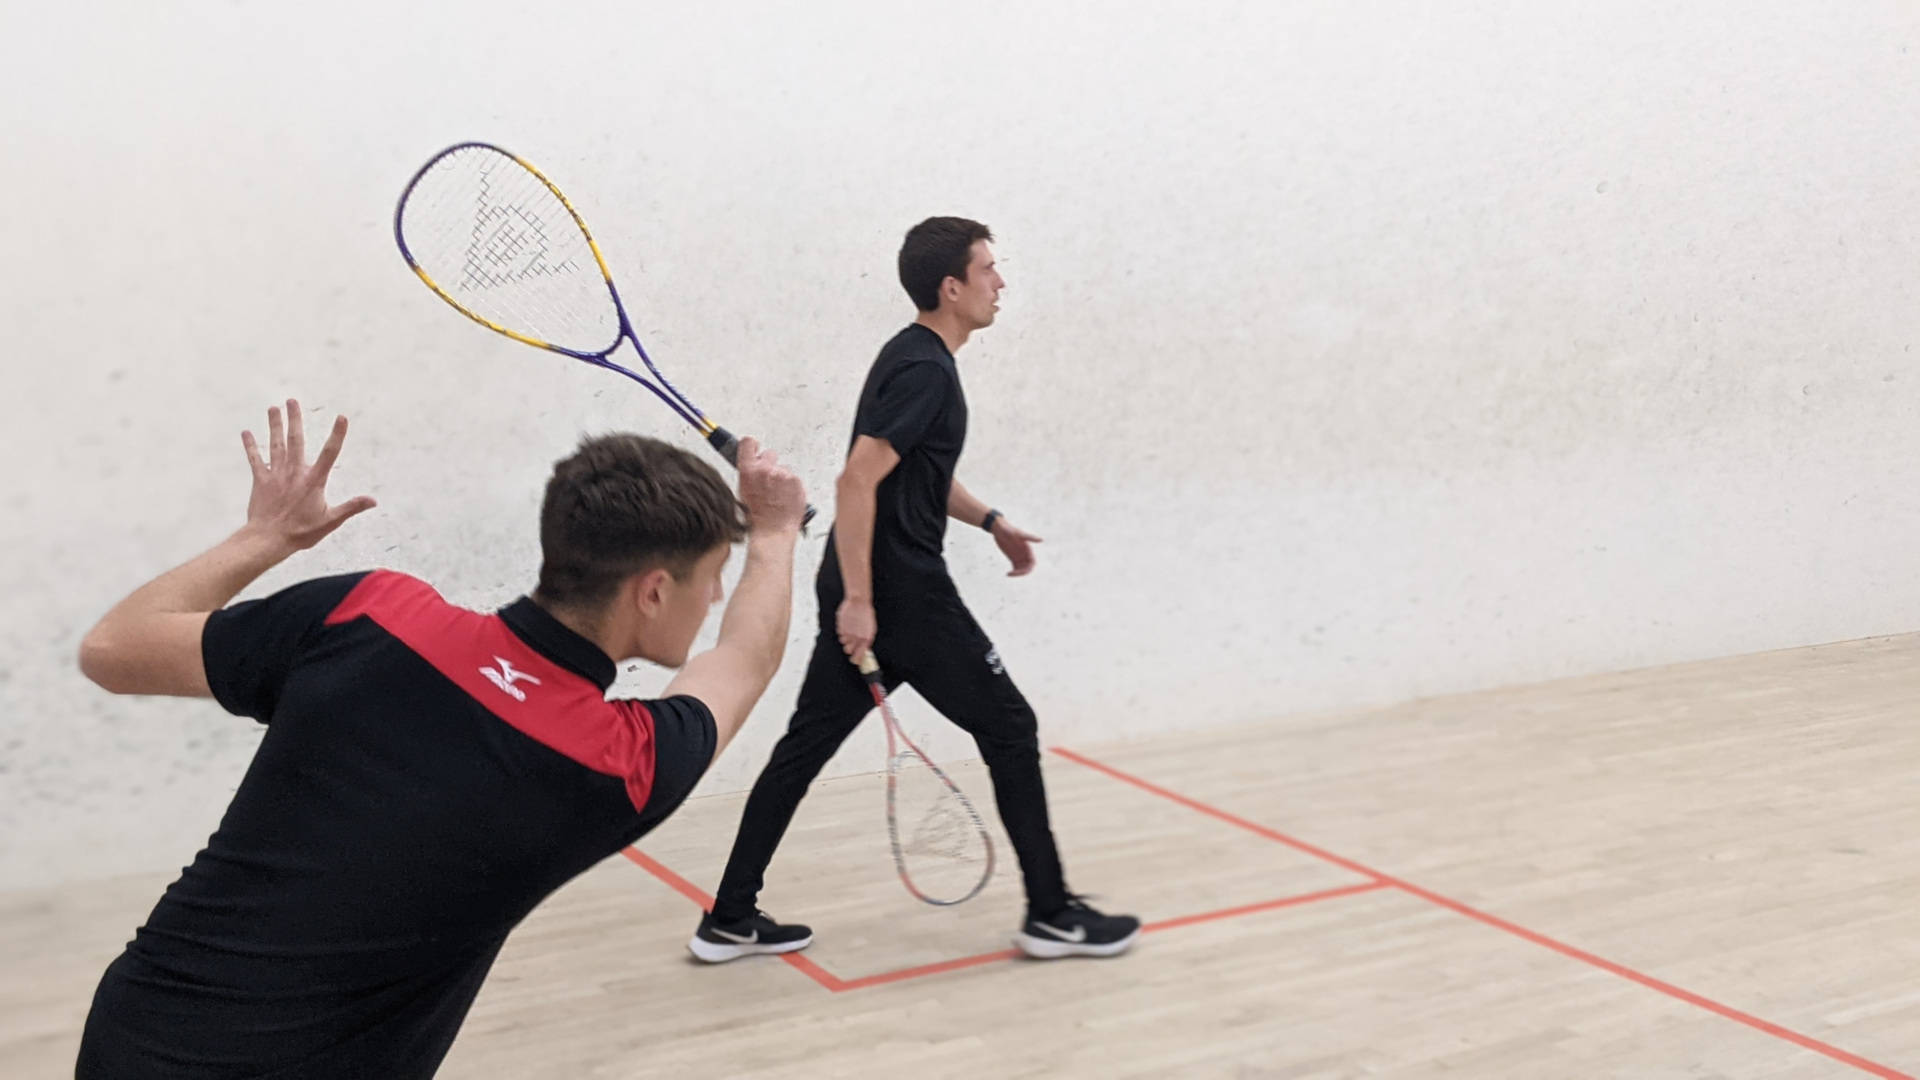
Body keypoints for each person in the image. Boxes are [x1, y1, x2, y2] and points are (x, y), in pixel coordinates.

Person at [74, 399, 807, 1078]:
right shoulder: (615, 763)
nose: (715, 597)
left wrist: (264, 537)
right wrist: (774, 533)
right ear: (651, 591)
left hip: (134, 1029)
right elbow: (746, 658)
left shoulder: (369, 612)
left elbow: (112, 648)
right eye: (711, 577)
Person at [690, 218, 1139, 963]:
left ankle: (730, 915)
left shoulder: (915, 358)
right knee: (1010, 728)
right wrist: (862, 602)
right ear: (951, 286)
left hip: (873, 582)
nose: (1002, 282)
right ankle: (1053, 914)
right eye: (989, 269)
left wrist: (989, 520)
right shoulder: (927, 367)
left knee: (802, 749)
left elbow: (911, 471)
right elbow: (856, 478)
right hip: (900, 593)